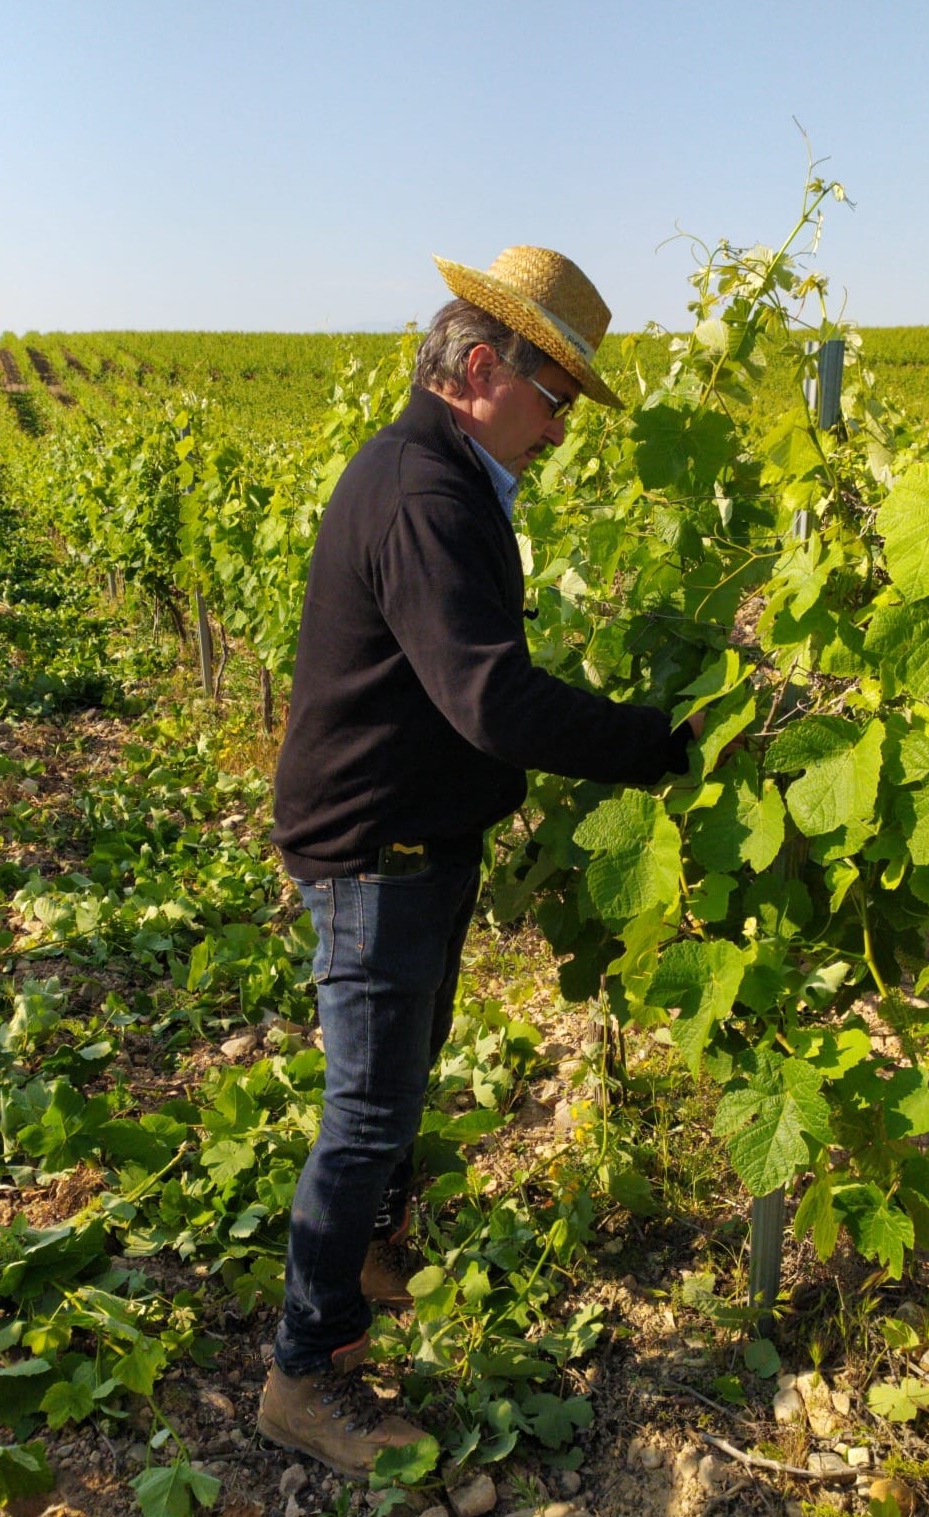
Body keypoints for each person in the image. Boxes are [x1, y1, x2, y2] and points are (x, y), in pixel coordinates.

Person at [258, 246, 703, 1478]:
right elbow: (492, 699)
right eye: (552, 397)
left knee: (395, 1085)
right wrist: (665, 743)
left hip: (412, 838)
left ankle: (365, 1256)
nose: (560, 428)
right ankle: (304, 1371)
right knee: (365, 1112)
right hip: (374, 849)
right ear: (472, 368)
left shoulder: (439, 474)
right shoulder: (423, 490)